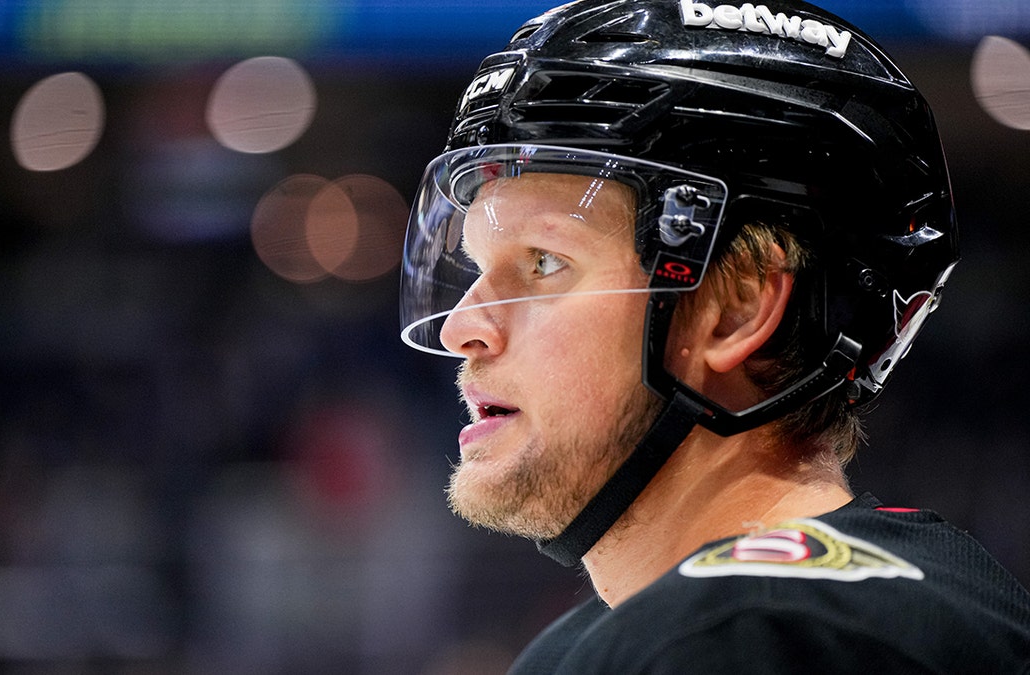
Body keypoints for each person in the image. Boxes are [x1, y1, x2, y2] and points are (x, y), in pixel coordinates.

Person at [397, 0, 1030, 671]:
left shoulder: (733, 639)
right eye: (475, 267)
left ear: (736, 309)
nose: (464, 326)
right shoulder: (926, 593)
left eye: (545, 262)